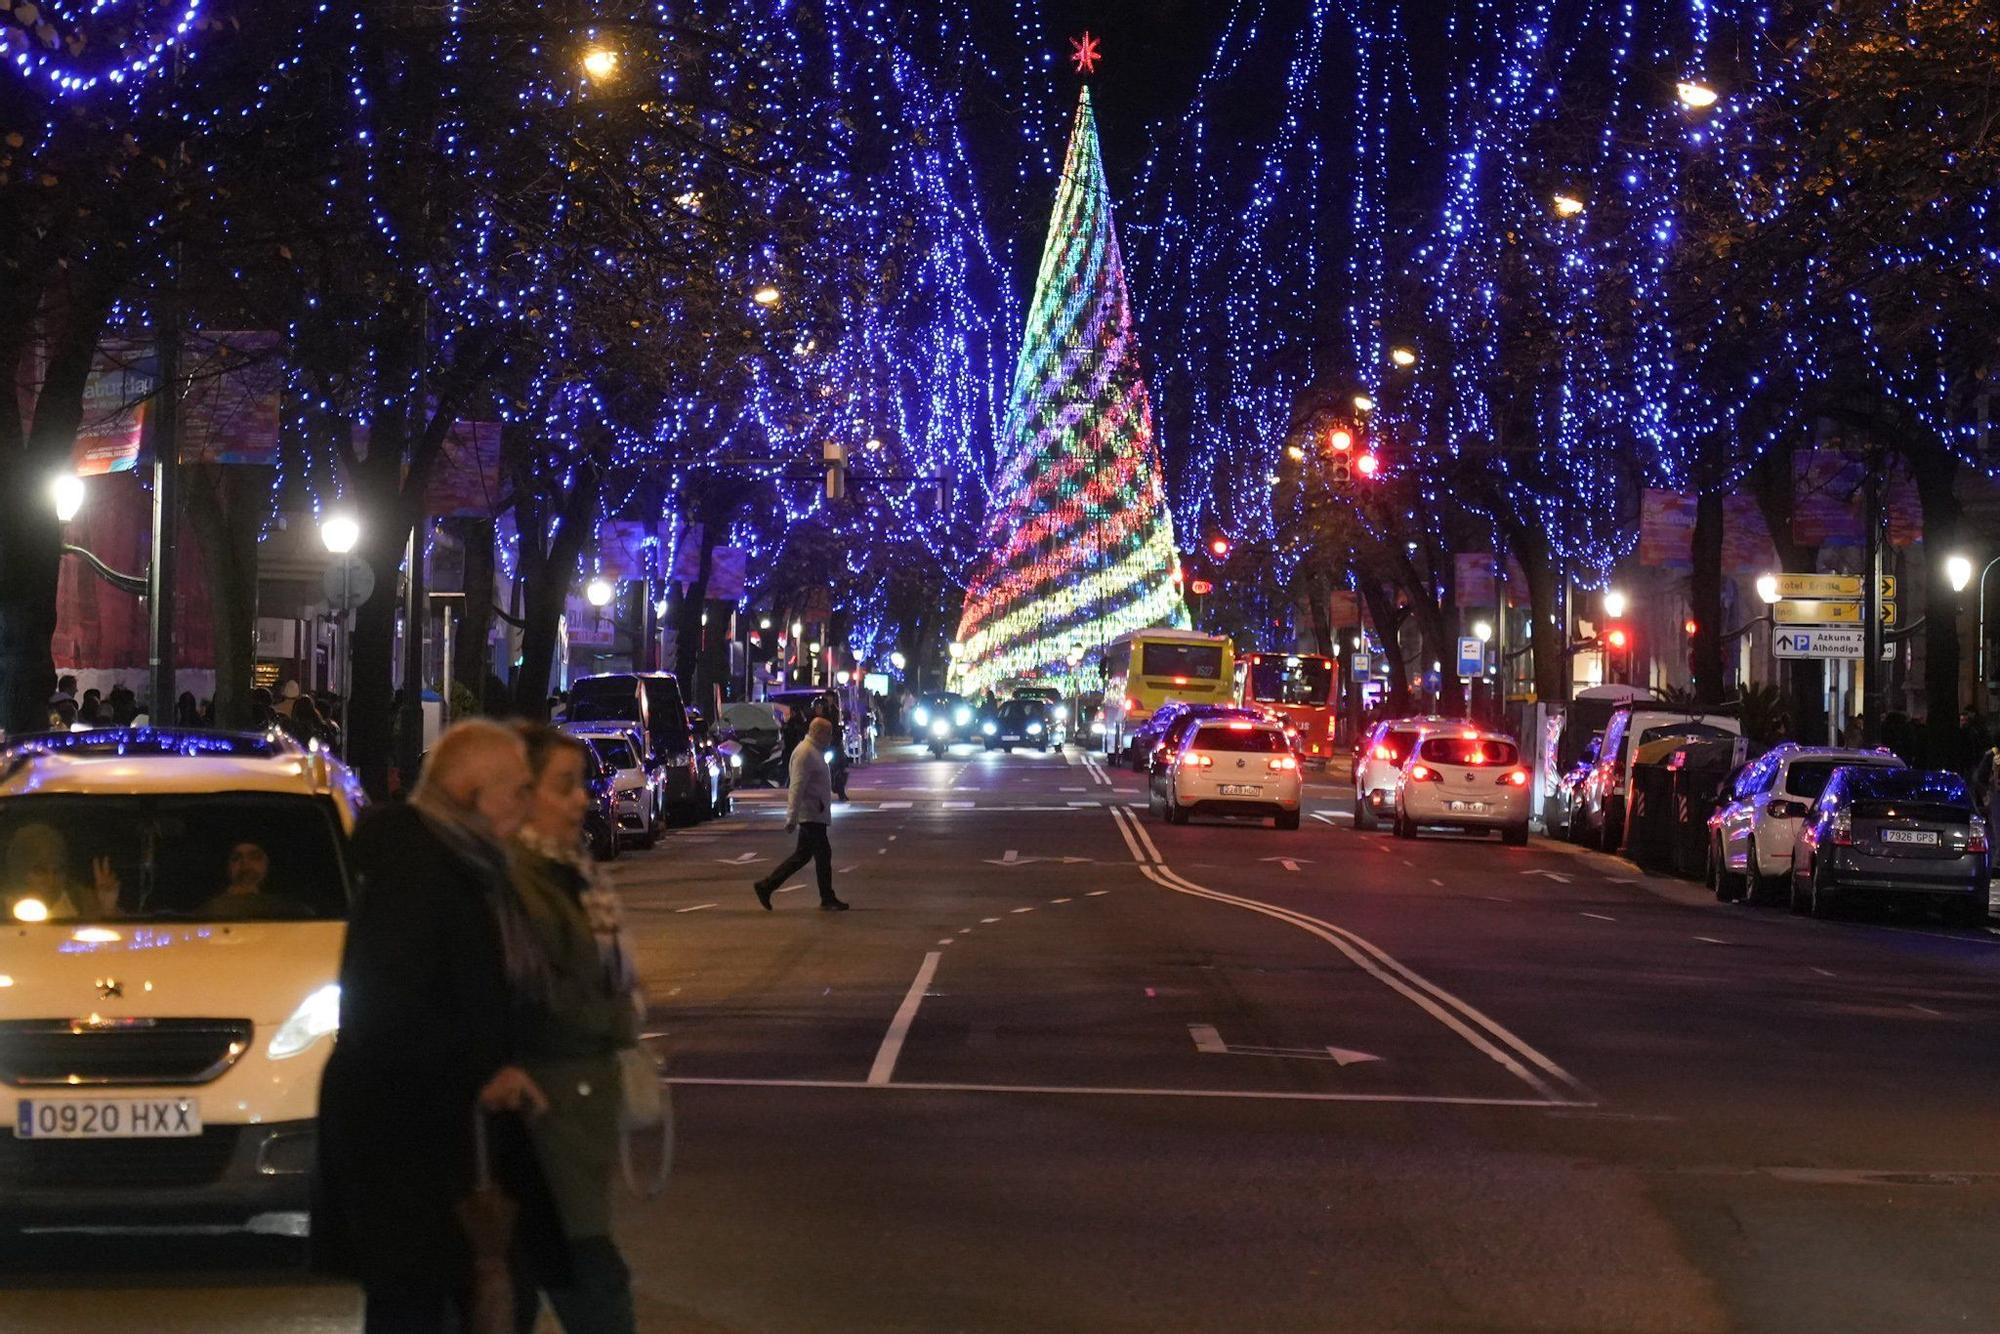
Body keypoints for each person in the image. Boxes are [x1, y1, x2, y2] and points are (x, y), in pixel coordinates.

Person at [315, 720, 568, 1333]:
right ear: (468, 791)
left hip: (440, 1142)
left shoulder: (466, 862)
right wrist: (485, 1072)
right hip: (412, 1148)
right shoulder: (421, 868)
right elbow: (385, 1012)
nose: (525, 806)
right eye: (516, 790)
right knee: (426, 1307)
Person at [508, 724, 641, 1334]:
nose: (582, 799)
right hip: (548, 1123)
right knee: (593, 1286)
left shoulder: (571, 873)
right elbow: (539, 995)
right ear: (522, 791)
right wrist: (614, 1015)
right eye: (565, 786)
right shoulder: (517, 882)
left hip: (573, 1122)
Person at [753, 716, 846, 911]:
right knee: (822, 854)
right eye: (828, 733)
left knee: (802, 856)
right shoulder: (805, 753)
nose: (830, 738)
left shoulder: (813, 751)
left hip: (815, 812)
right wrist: (791, 816)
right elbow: (796, 786)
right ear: (817, 732)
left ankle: (766, 886)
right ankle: (826, 897)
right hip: (810, 813)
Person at [2, 824, 120, 921]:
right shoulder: (4, 907)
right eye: (40, 871)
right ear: (21, 871)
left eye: (57, 871)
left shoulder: (80, 901)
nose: (51, 880)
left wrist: (107, 908)